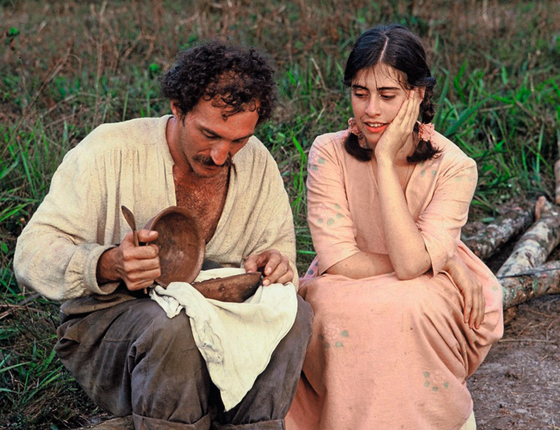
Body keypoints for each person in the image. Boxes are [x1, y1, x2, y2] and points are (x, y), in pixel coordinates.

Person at [14, 41, 313, 430]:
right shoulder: (110, 150)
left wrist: (273, 262)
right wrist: (106, 264)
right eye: (209, 134)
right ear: (178, 107)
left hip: (222, 320)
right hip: (112, 326)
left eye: (238, 140)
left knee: (295, 315)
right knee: (176, 326)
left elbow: (279, 256)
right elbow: (31, 253)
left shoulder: (257, 164)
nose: (222, 155)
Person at [286, 24, 503, 430]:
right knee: (333, 311)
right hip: (345, 278)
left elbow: (408, 267)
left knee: (409, 306)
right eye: (360, 93)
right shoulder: (328, 152)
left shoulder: (455, 167)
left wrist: (384, 161)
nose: (370, 111)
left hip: (425, 283)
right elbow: (339, 259)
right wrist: (444, 262)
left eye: (387, 96)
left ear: (416, 95)